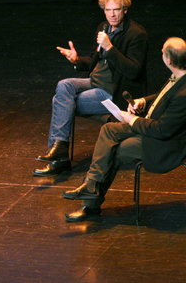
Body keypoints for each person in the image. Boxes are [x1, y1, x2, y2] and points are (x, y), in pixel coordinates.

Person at [62, 37, 186, 222]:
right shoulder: (179, 76)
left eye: (162, 51)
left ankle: (91, 204)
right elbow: (163, 96)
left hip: (165, 145)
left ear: (169, 59)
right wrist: (143, 101)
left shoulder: (184, 94)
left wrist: (132, 119)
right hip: (151, 127)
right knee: (109, 129)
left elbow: (163, 131)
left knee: (115, 150)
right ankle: (91, 186)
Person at [33, 0, 148, 177]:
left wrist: (110, 47)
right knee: (64, 85)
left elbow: (133, 71)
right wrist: (77, 60)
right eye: (108, 10)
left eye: (116, 10)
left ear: (125, 10)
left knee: (60, 102)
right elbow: (96, 60)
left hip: (113, 92)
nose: (112, 15)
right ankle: (60, 150)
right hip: (95, 82)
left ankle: (59, 158)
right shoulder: (103, 27)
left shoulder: (136, 34)